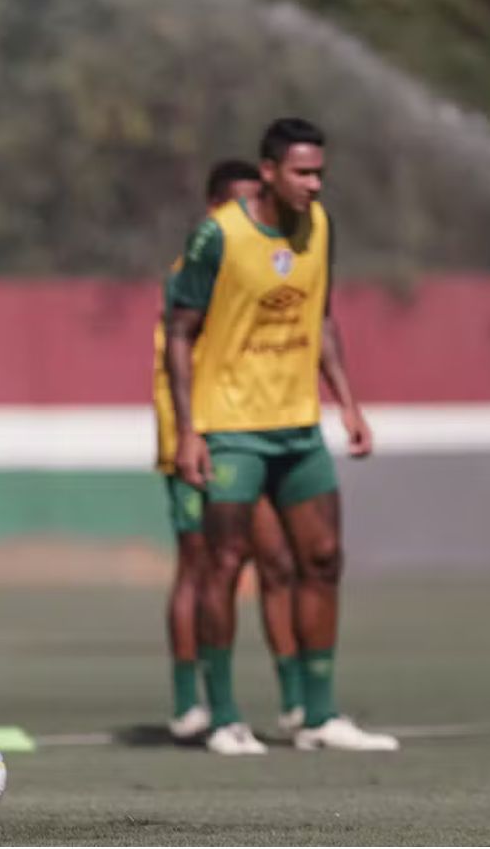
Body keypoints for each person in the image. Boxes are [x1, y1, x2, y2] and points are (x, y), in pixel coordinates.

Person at [164, 118, 398, 754]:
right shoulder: (221, 234)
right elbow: (180, 332)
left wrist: (348, 404)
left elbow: (321, 320)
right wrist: (189, 431)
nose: (314, 184)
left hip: (299, 429)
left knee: (322, 560)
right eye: (302, 172)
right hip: (233, 429)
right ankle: (224, 718)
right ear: (268, 171)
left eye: (320, 172)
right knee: (224, 565)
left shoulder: (319, 228)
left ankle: (318, 715)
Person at [154, 160, 306, 751]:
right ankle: (190, 703)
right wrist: (183, 441)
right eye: (237, 203)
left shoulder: (258, 266)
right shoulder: (192, 269)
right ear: (214, 206)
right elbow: (176, 365)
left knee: (278, 563)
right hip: (197, 443)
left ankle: (298, 703)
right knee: (201, 564)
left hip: (250, 435)